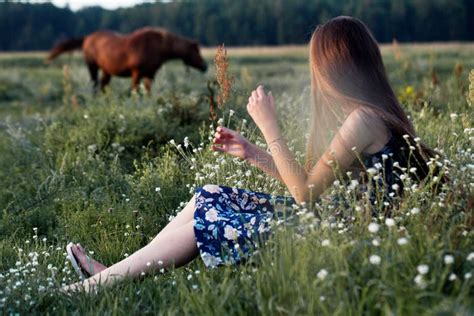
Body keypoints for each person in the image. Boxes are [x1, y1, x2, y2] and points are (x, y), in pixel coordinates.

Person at [63, 16, 435, 293]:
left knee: (208, 215)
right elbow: (305, 185)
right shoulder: (371, 113)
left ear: (335, 68)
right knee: (209, 195)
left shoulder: (364, 119)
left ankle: (94, 287)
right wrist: (252, 152)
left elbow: (303, 194)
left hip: (337, 235)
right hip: (329, 220)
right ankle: (111, 273)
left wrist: (268, 126)